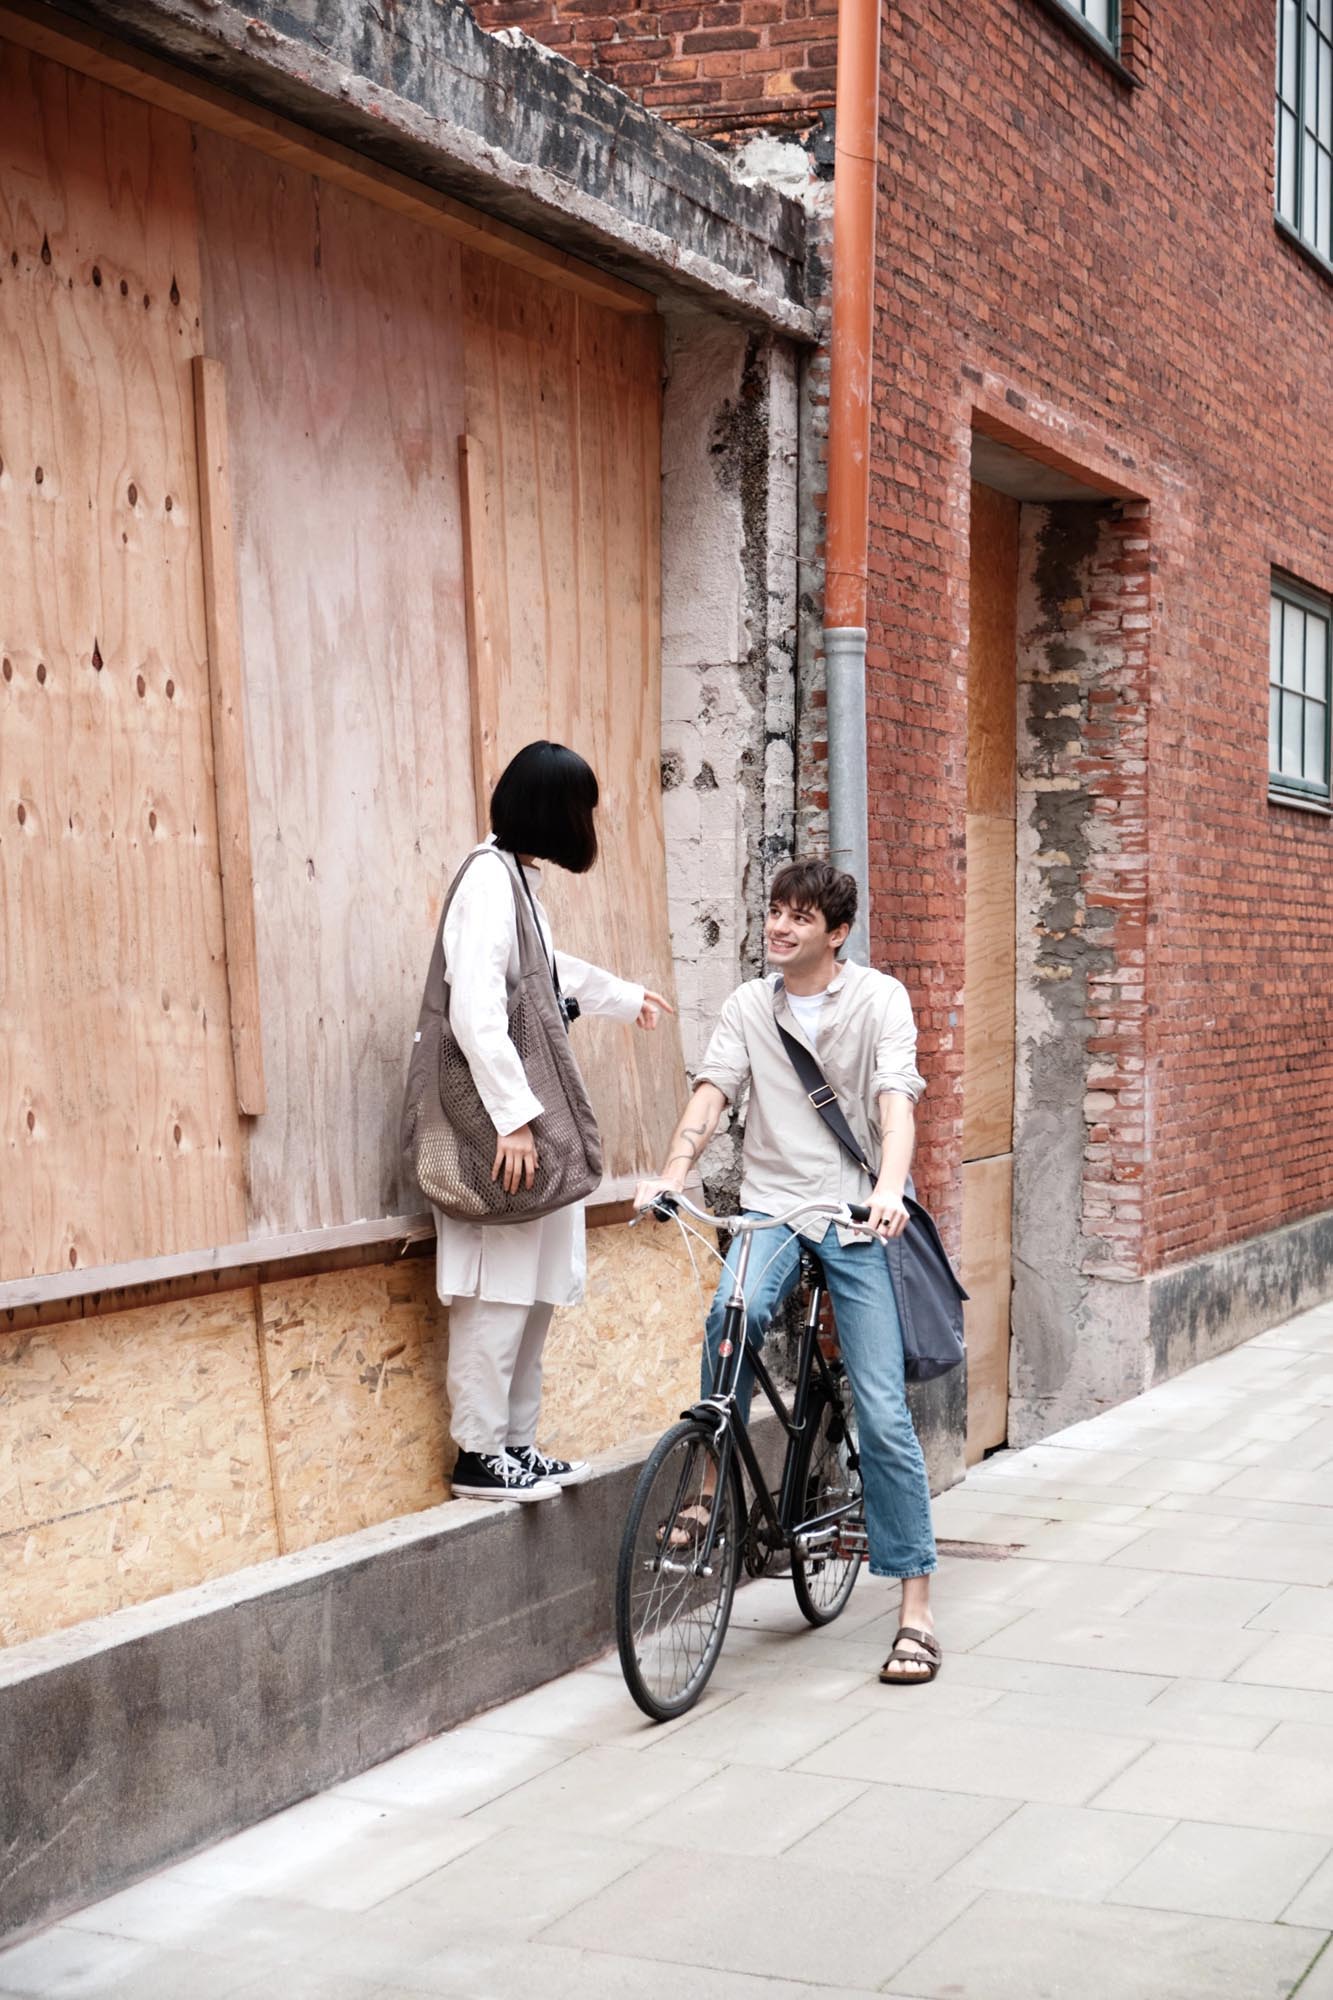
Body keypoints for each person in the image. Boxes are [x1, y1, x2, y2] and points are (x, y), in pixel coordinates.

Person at [635, 857, 941, 1685]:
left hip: (850, 1216)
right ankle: (704, 1488)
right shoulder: (746, 1005)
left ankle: (914, 1608)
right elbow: (712, 1094)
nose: (779, 926)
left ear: (835, 933)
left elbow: (893, 1102)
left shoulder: (877, 1000)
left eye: (800, 917)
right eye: (774, 911)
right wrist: (672, 1172)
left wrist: (885, 1190)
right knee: (727, 1322)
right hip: (769, 1208)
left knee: (879, 1411)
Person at [438, 741, 672, 1504]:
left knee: (532, 1291)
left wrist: (619, 995)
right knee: (498, 1291)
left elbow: (543, 969)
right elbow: (474, 1009)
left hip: (526, 1126)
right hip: (502, 1129)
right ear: (555, 809)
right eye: (582, 808)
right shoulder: (485, 880)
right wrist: (510, 1121)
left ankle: (515, 1443)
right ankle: (478, 1455)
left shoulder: (515, 879)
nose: (587, 824)